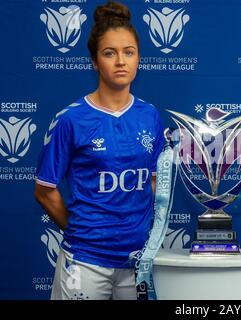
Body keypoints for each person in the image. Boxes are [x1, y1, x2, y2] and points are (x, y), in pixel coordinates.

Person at [34, 1, 164, 300]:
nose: (121, 61)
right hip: (85, 262)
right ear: (94, 61)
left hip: (138, 260)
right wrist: (82, 232)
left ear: (138, 58)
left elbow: (155, 183)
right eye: (110, 53)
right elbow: (44, 190)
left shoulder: (150, 116)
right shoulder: (71, 119)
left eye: (129, 52)